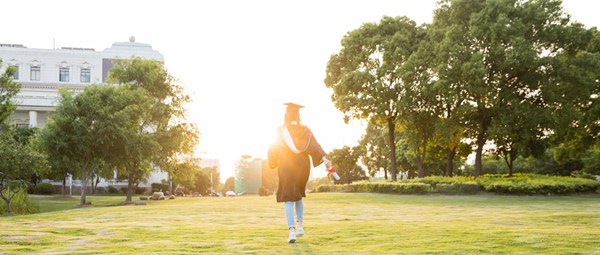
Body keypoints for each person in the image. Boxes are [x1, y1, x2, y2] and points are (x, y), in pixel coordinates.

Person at [268, 102, 332, 243]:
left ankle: (291, 231)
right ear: (298, 115)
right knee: (298, 196)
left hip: (286, 167)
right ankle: (300, 225)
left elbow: (273, 148)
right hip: (302, 168)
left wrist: (272, 162)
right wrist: (324, 158)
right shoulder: (305, 130)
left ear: (286, 115)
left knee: (288, 198)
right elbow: (315, 145)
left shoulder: (280, 130)